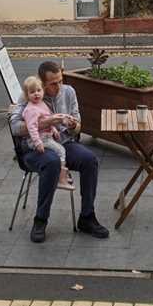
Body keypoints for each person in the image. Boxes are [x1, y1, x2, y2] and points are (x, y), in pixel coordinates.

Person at [10, 61, 109, 243]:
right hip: (35, 147)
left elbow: (78, 126)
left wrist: (72, 125)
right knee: (52, 162)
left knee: (90, 160)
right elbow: (15, 127)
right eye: (53, 84)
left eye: (60, 81)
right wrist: (45, 123)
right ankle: (40, 220)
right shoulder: (29, 94)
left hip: (64, 142)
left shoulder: (68, 91)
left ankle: (87, 217)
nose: (58, 87)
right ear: (42, 82)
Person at [22, 76, 74, 191]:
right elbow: (32, 127)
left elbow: (48, 119)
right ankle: (61, 178)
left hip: (46, 136)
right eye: (32, 92)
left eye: (38, 91)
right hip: (39, 139)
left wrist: (54, 130)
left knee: (59, 151)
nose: (36, 94)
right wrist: (37, 143)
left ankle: (62, 174)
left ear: (43, 91)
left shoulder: (41, 104)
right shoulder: (31, 110)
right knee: (61, 151)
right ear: (27, 95)